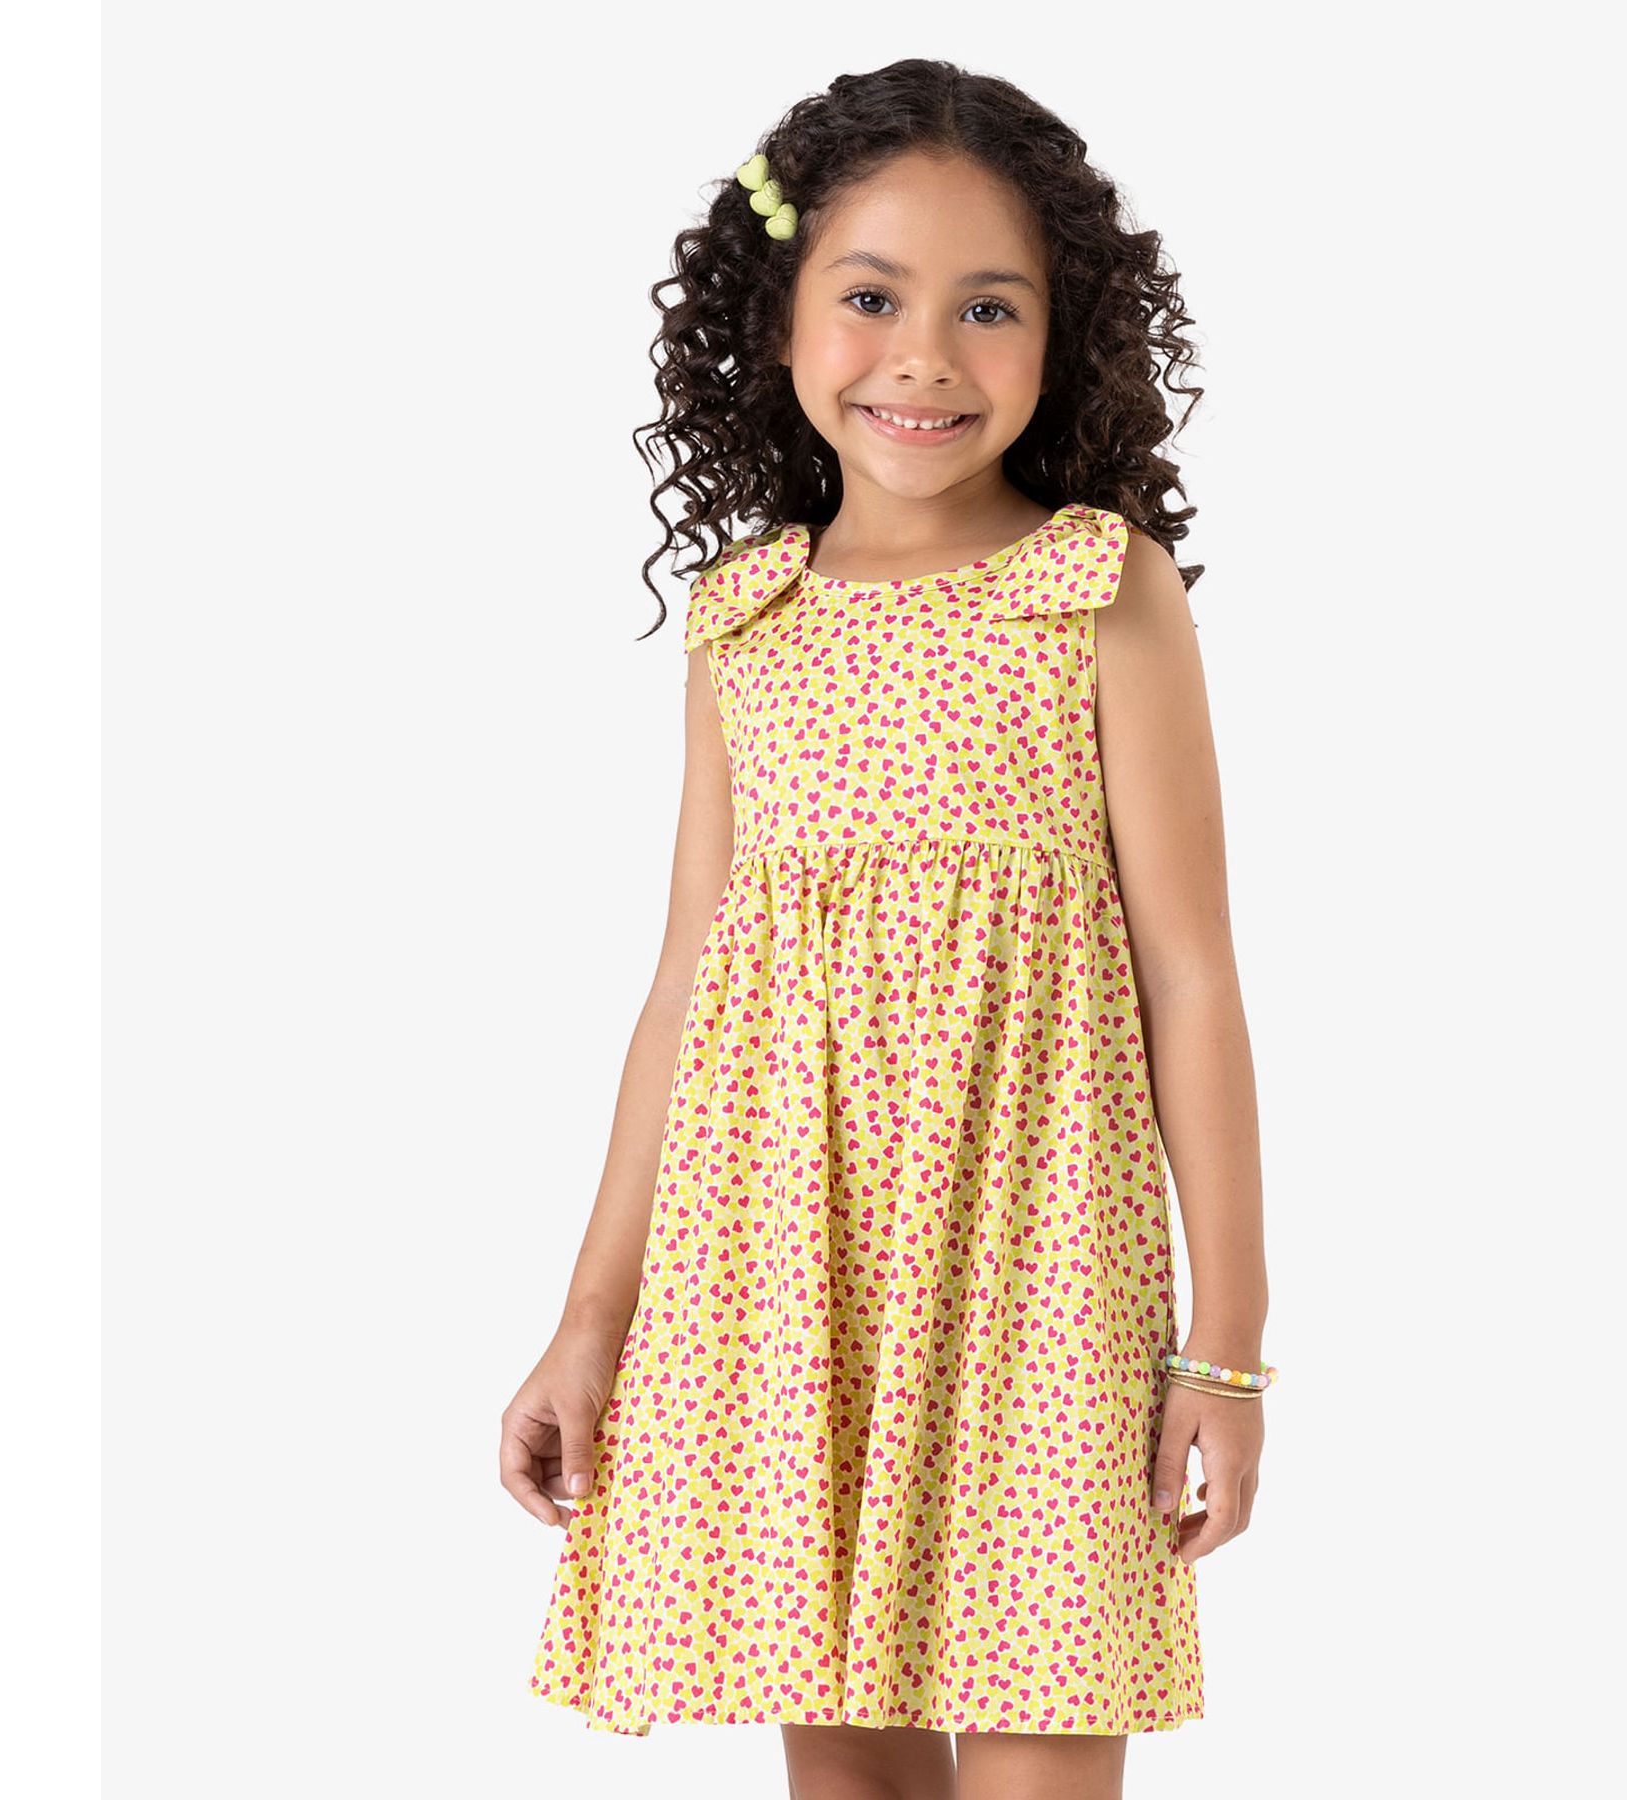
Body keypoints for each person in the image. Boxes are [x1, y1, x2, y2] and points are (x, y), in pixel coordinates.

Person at [501, 57, 1273, 1799]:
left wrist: (1225, 1344)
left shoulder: (1097, 590)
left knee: (1041, 1737)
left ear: (1061, 336)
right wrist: (589, 1316)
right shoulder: (748, 615)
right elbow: (688, 978)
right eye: (870, 298)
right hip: (790, 1270)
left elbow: (1192, 975)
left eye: (988, 308)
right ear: (776, 321)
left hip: (1040, 1275)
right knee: (843, 1766)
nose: (924, 356)